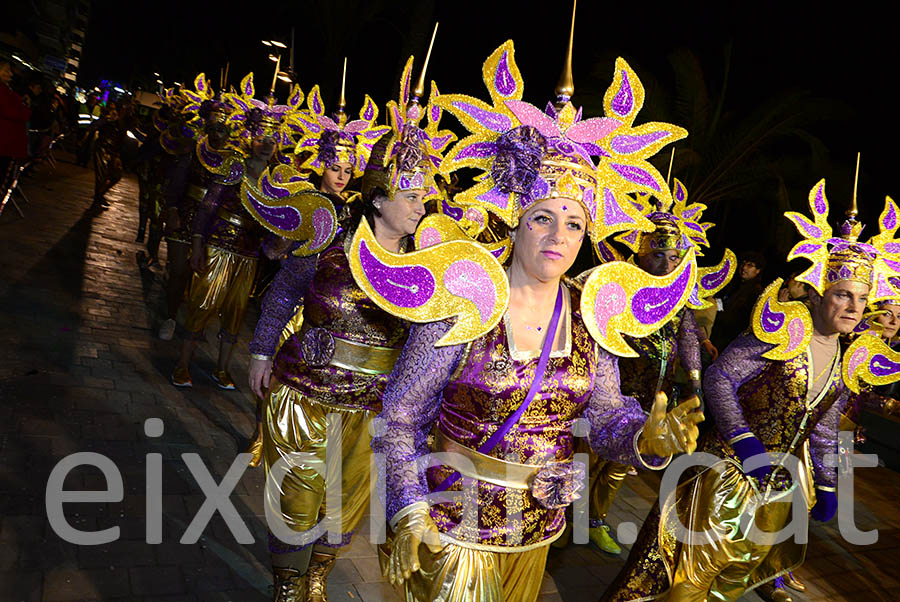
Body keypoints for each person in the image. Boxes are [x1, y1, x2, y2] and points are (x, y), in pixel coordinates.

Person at [365, 39, 702, 602]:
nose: (558, 237)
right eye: (543, 217)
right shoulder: (467, 297)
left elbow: (606, 417)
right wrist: (408, 511)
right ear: (516, 220)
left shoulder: (594, 312)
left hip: (537, 532)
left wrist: (645, 436)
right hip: (449, 526)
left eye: (574, 224)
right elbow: (399, 418)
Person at [602, 179, 900, 602]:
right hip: (725, 472)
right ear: (819, 294)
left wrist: (829, 482)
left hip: (777, 484)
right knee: (689, 577)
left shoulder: (845, 356)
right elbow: (721, 378)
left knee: (733, 576)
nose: (853, 308)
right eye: (842, 295)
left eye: (861, 299)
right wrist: (746, 444)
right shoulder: (781, 331)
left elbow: (825, 423)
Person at [248, 52, 449, 602]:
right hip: (303, 396)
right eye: (411, 195)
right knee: (298, 498)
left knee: (347, 502)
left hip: (374, 409)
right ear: (379, 198)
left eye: (424, 196)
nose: (420, 205)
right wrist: (261, 354)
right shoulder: (328, 239)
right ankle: (287, 584)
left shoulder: (426, 271)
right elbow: (284, 292)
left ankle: (318, 577)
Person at [242, 69, 390, 466]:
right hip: (296, 303)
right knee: (273, 378)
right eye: (334, 169)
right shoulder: (306, 199)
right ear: (321, 164)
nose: (341, 178)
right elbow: (275, 252)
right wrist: (287, 239)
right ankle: (262, 436)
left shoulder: (360, 210)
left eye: (347, 171)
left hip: (330, 309)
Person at [171, 73, 305, 389]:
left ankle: (221, 369)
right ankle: (183, 364)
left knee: (235, 313)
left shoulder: (278, 177)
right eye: (260, 137)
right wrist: (199, 243)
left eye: (272, 140)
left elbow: (280, 219)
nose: (265, 145)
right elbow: (208, 206)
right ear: (250, 138)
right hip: (218, 245)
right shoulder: (235, 166)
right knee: (202, 306)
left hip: (250, 253)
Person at [158, 75, 238, 340]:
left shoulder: (233, 160)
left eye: (223, 130)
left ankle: (194, 323)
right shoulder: (192, 151)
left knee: (204, 277)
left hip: (212, 223)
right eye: (214, 128)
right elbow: (175, 185)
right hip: (185, 216)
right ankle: (169, 316)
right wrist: (171, 210)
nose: (218, 134)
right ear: (206, 125)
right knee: (179, 270)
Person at [711, 250, 766, 350]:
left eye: (750, 265)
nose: (744, 267)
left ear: (758, 270)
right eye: (743, 263)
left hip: (729, 342)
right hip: (717, 336)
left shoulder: (756, 293)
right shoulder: (735, 284)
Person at [0, 60, 30, 199]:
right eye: (6, 70)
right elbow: (12, 112)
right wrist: (25, 108)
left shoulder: (7, 90)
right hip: (3, 144)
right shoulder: (2, 91)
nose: (10, 74)